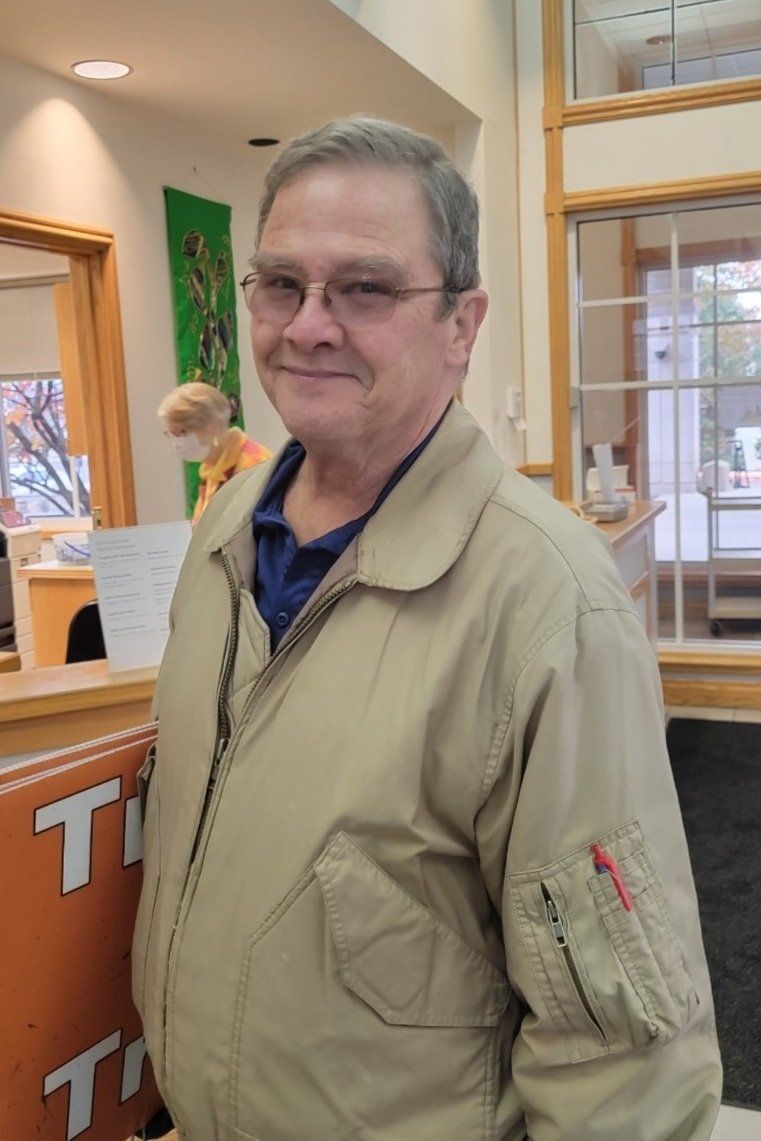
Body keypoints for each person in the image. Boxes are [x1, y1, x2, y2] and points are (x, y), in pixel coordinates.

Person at [134, 117, 722, 1140]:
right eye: (280, 283)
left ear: (460, 321)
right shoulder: (225, 528)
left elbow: (621, 1062)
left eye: (363, 288)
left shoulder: (543, 600)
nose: (308, 324)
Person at [157, 380, 271, 524]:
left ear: (214, 425)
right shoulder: (211, 469)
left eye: (182, 432)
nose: (177, 442)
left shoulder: (252, 465)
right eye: (171, 434)